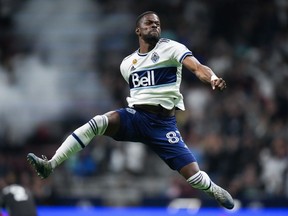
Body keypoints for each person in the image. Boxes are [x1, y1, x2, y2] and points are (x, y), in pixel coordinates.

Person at [27, 11, 234, 209]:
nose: (154, 25)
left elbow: (197, 67)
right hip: (137, 117)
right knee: (99, 122)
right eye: (149, 23)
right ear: (138, 30)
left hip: (163, 124)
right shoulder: (127, 64)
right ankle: (51, 164)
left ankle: (212, 189)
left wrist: (213, 77)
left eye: (157, 23)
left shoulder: (171, 48)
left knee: (193, 175)